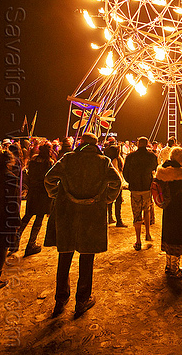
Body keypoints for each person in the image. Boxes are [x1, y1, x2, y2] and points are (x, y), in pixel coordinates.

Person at [44, 132, 121, 318]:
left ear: (81, 143)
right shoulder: (103, 161)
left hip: (67, 214)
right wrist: (105, 200)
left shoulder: (68, 159)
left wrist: (59, 195)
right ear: (96, 145)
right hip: (91, 215)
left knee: (65, 256)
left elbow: (49, 179)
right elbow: (116, 182)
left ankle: (60, 299)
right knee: (86, 258)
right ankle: (82, 300)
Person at [155, 147, 182, 278]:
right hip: (179, 208)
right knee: (178, 237)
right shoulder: (180, 172)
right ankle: (175, 269)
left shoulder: (162, 170)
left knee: (169, 234)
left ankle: (168, 265)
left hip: (168, 208)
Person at [13, 142, 54, 257]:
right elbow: (49, 178)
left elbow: (29, 175)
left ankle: (15, 242)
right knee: (38, 219)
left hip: (33, 192)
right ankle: (30, 244)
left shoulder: (33, 161)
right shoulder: (49, 163)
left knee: (27, 216)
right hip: (42, 193)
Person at [123, 136, 158, 250]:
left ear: (138, 144)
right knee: (147, 210)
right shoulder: (151, 156)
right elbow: (155, 168)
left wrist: (131, 181)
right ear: (147, 144)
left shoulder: (130, 156)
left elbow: (125, 172)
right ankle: (148, 234)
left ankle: (138, 240)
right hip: (147, 187)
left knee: (136, 214)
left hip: (135, 188)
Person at [0, 151, 20, 291]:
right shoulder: (10, 177)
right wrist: (16, 220)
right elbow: (13, 201)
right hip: (4, 216)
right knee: (3, 246)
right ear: (10, 161)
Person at [103, 144, 127, 227]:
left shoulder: (107, 160)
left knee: (110, 201)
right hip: (117, 183)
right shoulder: (116, 160)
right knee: (118, 201)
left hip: (108, 183)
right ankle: (119, 220)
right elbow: (118, 171)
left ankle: (110, 217)